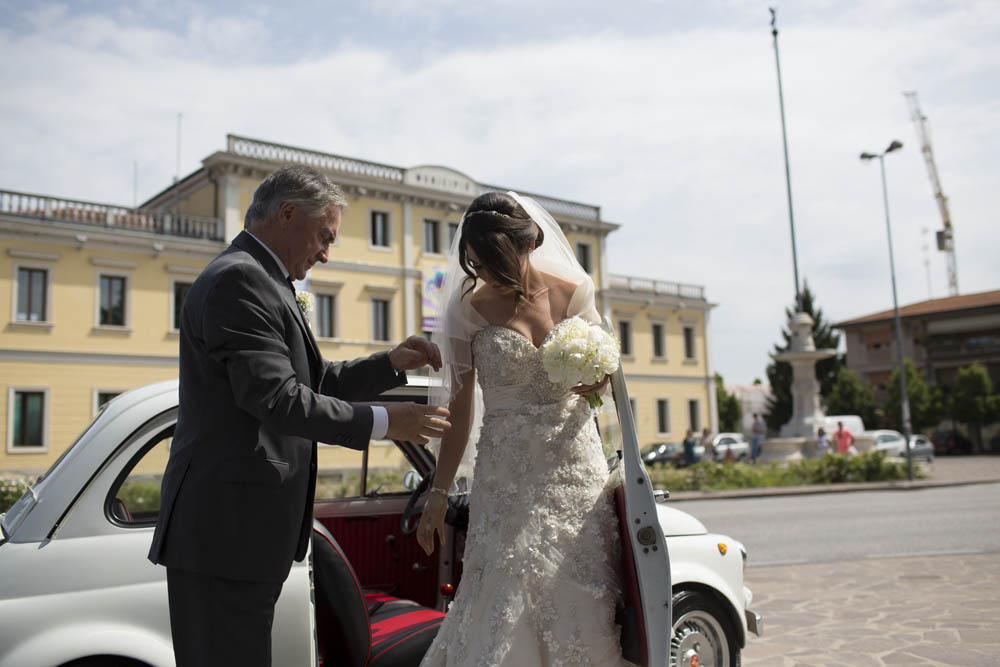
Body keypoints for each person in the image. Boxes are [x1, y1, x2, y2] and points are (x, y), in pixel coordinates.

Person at [148, 165, 451, 667]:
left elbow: (316, 381)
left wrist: (390, 364)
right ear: (287, 214)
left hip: (240, 537)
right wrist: (384, 422)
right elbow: (281, 400)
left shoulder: (264, 278)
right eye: (324, 236)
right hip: (226, 536)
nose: (326, 253)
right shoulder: (241, 279)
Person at [415, 191, 625, 666]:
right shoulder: (466, 310)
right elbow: (459, 411)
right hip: (505, 480)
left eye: (492, 261)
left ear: (528, 245)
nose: (484, 274)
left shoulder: (575, 292)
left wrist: (598, 379)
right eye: (475, 264)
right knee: (503, 594)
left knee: (583, 596)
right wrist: (438, 492)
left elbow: (608, 372)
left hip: (575, 472)